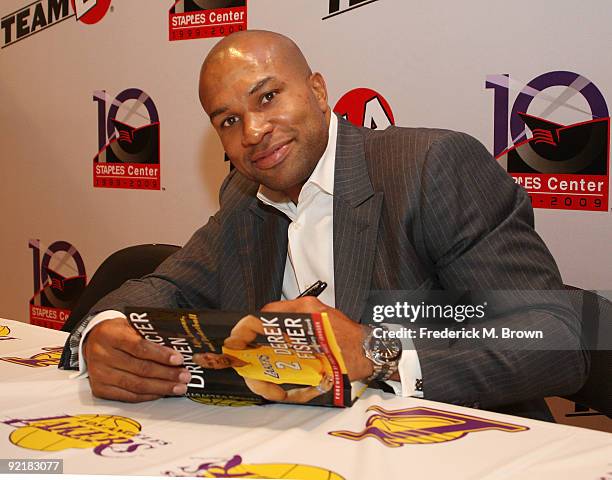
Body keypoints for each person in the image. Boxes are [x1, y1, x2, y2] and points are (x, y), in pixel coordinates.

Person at [60, 30, 587, 420]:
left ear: (317, 89)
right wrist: (98, 335)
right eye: (228, 120)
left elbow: (555, 337)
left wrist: (376, 353)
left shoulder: (432, 167)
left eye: (267, 97)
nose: (254, 132)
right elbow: (165, 284)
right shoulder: (244, 197)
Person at [195, 315, 335, 403]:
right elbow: (285, 397)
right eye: (210, 365)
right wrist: (319, 390)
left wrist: (289, 340)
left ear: (210, 352)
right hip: (331, 377)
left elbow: (248, 322)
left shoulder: (233, 346)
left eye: (208, 357)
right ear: (215, 369)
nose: (213, 361)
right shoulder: (252, 381)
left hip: (325, 352)